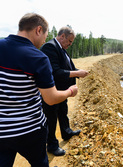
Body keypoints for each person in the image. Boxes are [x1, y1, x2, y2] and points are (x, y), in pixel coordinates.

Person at [0, 13, 78, 167]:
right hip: (29, 130)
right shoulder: (38, 57)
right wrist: (70, 91)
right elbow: (50, 98)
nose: (44, 40)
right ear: (38, 30)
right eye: (45, 35)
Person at [40, 26, 89, 156]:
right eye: (69, 41)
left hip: (61, 89)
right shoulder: (50, 47)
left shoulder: (61, 48)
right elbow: (56, 72)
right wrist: (76, 73)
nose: (70, 44)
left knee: (63, 111)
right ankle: (51, 145)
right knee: (50, 118)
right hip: (52, 91)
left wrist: (79, 72)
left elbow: (68, 67)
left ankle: (66, 132)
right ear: (62, 36)